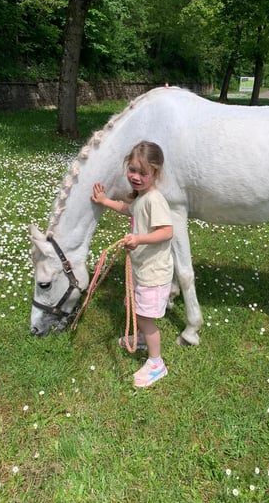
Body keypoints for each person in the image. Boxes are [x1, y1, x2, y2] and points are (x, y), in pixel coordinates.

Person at [90, 141, 174, 388]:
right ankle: (140, 338)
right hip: (141, 269)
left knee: (147, 318)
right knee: (136, 308)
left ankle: (157, 363)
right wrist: (105, 201)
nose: (136, 177)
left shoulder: (155, 200)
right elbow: (129, 209)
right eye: (132, 170)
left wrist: (139, 238)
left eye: (143, 172)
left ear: (155, 173)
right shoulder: (142, 198)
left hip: (153, 273)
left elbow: (167, 231)